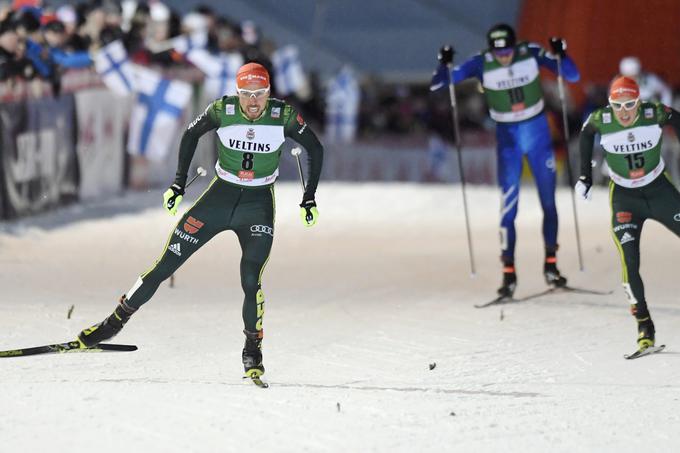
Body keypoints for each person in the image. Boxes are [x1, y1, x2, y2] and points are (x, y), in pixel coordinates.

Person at [77, 62, 324, 379]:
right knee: (164, 265)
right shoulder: (223, 109)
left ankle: (252, 349)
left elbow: (314, 148)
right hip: (217, 199)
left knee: (251, 278)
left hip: (256, 204)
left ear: (269, 93)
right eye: (247, 94)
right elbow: (191, 134)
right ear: (237, 93)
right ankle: (112, 324)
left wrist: (309, 196)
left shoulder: (283, 115)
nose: (253, 102)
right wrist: (178, 184)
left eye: (260, 94)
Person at [432, 23, 580, 299]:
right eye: (498, 52)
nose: (503, 57)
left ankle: (551, 265)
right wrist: (444, 64)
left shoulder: (531, 53)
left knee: (548, 202)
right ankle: (508, 274)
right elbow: (440, 83)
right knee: (509, 209)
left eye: (507, 51)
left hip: (537, 136)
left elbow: (571, 74)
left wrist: (562, 55)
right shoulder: (481, 62)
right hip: (509, 141)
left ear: (515, 45)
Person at [576, 76, 680, 353]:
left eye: (630, 104)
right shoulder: (601, 118)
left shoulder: (652, 112)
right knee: (629, 261)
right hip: (625, 199)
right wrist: (585, 176)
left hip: (659, 191)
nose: (624, 112)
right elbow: (585, 134)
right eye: (617, 105)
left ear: (639, 101)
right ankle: (644, 326)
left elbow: (676, 117)